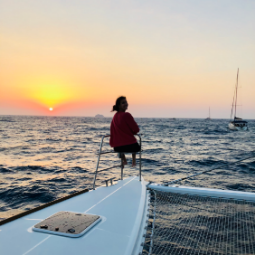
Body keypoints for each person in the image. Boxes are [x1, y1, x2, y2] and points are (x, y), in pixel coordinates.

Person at [110, 96, 140, 167]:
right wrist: (132, 133)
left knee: (120, 145)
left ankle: (124, 160)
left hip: (117, 148)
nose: (126, 104)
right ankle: (133, 162)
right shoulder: (127, 115)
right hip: (129, 146)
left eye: (126, 102)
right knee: (136, 146)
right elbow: (136, 130)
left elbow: (113, 129)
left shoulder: (115, 116)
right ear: (119, 106)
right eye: (123, 103)